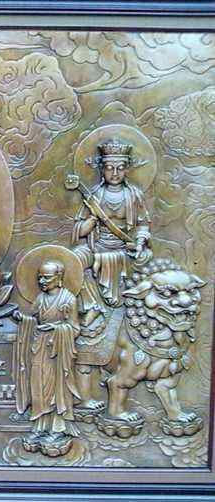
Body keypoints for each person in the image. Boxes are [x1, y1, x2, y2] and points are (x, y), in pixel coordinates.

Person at [70, 139, 151, 414]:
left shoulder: (133, 195)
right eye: (109, 168)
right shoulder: (94, 195)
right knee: (77, 261)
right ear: (101, 169)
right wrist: (94, 218)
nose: (114, 173)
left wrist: (139, 242)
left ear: (127, 169)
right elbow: (79, 231)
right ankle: (90, 307)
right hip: (97, 256)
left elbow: (143, 225)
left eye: (120, 168)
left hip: (124, 257)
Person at [13, 260, 80, 456]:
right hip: (40, 347)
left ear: (58, 278)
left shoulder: (68, 299)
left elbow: (75, 328)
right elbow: (33, 320)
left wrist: (56, 329)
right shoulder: (41, 298)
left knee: (55, 388)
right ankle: (40, 426)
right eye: (39, 277)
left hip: (58, 351)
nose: (42, 281)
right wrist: (23, 320)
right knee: (39, 385)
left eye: (46, 278)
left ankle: (57, 428)